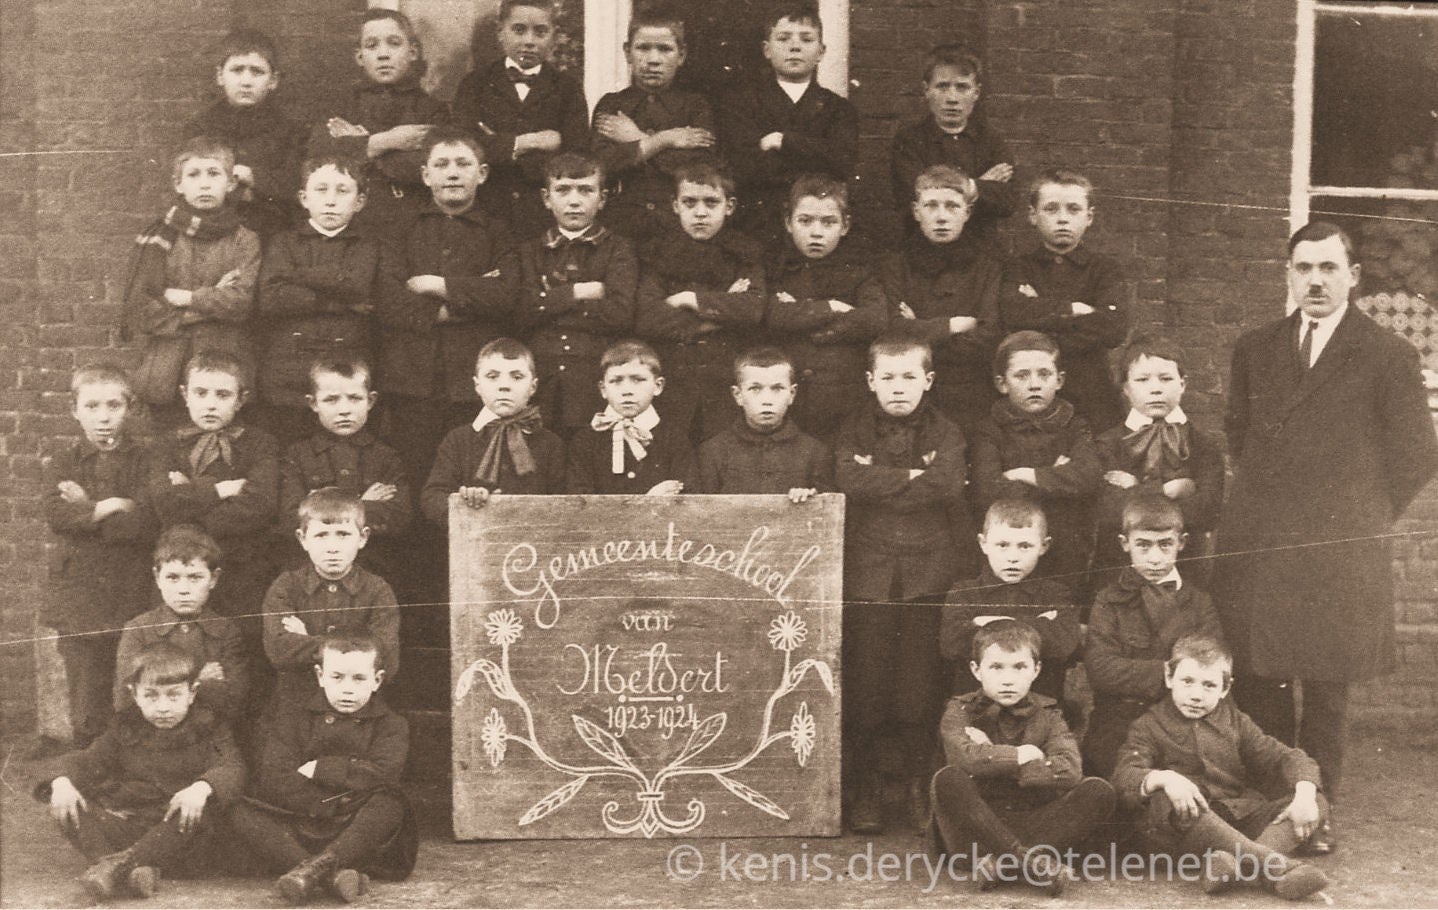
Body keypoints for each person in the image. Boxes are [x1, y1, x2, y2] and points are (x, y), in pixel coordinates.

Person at [1214, 221, 1438, 851]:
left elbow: (1416, 453)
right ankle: (1273, 805)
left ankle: (1318, 813)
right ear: (1289, 275)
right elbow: (1239, 432)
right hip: (1264, 539)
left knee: (1326, 687)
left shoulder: (1387, 353)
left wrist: (1362, 515)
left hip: (1338, 547)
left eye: (1329, 268)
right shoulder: (1256, 347)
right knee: (1263, 675)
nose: (1315, 280)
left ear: (1353, 277)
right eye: (1304, 268)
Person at [835, 332, 973, 834]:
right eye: (888, 377)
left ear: (928, 380)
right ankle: (867, 787)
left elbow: (948, 482)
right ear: (871, 381)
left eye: (909, 377)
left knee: (918, 685)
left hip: (927, 574)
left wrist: (882, 478)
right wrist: (914, 477)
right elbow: (848, 479)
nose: (899, 387)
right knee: (868, 685)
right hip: (869, 573)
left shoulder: (946, 430)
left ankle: (919, 785)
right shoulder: (853, 428)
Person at [1113, 636, 1331, 900]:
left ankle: (1233, 865)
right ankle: (1273, 866)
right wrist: (1164, 778)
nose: (1196, 695)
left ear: (1225, 689)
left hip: (1236, 821)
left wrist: (1305, 793)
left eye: (1209, 685)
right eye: (1187, 681)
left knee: (1315, 799)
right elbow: (1125, 773)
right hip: (1185, 832)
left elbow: (1287, 757)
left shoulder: (1235, 721)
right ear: (1169, 677)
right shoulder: (1149, 725)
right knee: (1165, 799)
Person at [37, 642, 244, 901]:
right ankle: (132, 870)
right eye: (151, 696)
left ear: (192, 693)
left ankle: (117, 869)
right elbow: (86, 760)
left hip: (178, 836)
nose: (163, 707)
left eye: (173, 696)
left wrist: (202, 787)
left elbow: (232, 766)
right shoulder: (126, 728)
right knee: (69, 806)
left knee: (199, 810)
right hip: (133, 828)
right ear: (134, 695)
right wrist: (61, 782)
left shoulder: (208, 727)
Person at [376, 127, 518, 492]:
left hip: (473, 382)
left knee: (474, 480)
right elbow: (389, 299)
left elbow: (506, 295)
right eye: (441, 164)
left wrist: (437, 285)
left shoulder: (499, 232)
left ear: (482, 173)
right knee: (417, 476)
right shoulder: (401, 229)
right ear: (425, 175)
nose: (452, 173)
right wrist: (465, 299)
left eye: (462, 164)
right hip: (411, 381)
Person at [229, 635, 415, 904]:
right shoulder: (294, 718)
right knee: (238, 810)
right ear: (320, 676)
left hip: (351, 828)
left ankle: (317, 867)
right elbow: (276, 775)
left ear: (377, 680)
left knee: (390, 803)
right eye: (337, 677)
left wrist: (323, 768)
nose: (347, 689)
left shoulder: (391, 725)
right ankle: (326, 875)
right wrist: (323, 802)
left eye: (359, 679)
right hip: (301, 818)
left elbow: (382, 773)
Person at [932, 621, 1114, 895]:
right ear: (976, 670)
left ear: (1036, 670)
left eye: (1019, 667)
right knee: (948, 779)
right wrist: (1022, 755)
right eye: (996, 667)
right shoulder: (960, 710)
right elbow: (965, 760)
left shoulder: (1049, 714)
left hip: (1036, 824)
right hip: (977, 828)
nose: (1008, 679)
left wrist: (994, 757)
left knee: (1098, 790)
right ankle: (1030, 862)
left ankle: (1005, 863)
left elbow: (1069, 770)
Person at [44, 364, 159, 748]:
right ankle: (88, 763)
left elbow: (145, 521)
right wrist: (112, 504)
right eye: (92, 406)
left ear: (130, 408)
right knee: (86, 689)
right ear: (74, 410)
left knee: (132, 680)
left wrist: (87, 508)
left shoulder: (146, 459)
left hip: (130, 588)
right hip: (80, 594)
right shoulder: (64, 462)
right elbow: (58, 516)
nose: (104, 416)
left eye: (114, 405)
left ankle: (131, 762)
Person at [149, 351, 279, 675]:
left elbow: (259, 505)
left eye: (223, 395)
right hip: (184, 567)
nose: (210, 404)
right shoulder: (167, 445)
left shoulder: (260, 445)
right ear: (184, 395)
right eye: (201, 393)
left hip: (242, 568)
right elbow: (164, 504)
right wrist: (221, 490)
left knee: (240, 653)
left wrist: (189, 499)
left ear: (240, 399)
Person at [1083, 494, 1223, 779]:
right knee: (1117, 786)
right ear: (1125, 543)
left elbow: (1211, 667)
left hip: (1180, 723)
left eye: (1165, 544)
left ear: (1182, 542)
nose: (1155, 558)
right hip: (1119, 723)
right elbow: (1101, 670)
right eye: (1143, 545)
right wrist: (1175, 674)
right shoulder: (1108, 601)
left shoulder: (1199, 603)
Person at [122, 138, 259, 425]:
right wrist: (214, 298)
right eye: (194, 175)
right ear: (178, 184)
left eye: (214, 174)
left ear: (230, 183)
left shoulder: (244, 240)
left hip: (226, 366)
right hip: (167, 372)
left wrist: (185, 298)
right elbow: (143, 310)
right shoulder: (158, 238)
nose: (204, 184)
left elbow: (241, 302)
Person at [634, 162, 766, 442]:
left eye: (711, 202)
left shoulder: (744, 254)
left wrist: (688, 299)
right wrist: (722, 310)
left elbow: (752, 310)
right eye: (690, 203)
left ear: (729, 206)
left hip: (725, 375)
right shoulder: (657, 255)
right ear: (675, 206)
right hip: (674, 374)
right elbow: (647, 319)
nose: (701, 212)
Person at [256, 157, 382, 445]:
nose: (331, 201)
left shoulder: (368, 245)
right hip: (289, 371)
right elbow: (272, 298)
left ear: (360, 201)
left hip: (346, 372)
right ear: (304, 198)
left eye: (342, 191)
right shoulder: (283, 242)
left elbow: (357, 285)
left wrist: (296, 275)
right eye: (321, 190)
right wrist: (337, 303)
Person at [514, 152, 638, 436]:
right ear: (546, 198)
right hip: (541, 377)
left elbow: (620, 315)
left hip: (592, 376)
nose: (574, 201)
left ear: (602, 199)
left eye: (585, 190)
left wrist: (549, 302)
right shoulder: (530, 251)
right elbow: (521, 313)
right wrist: (578, 292)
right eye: (563, 190)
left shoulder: (618, 249)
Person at [969, 331, 1102, 583]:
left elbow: (1089, 477)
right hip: (1010, 548)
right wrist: (1057, 477)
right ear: (1002, 383)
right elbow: (987, 489)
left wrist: (1026, 474)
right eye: (1021, 375)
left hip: (1065, 545)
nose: (1034, 385)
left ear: (1059, 380)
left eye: (1044, 374)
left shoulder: (1074, 426)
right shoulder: (989, 430)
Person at [718, 2, 858, 241]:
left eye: (806, 39)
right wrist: (812, 158)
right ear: (767, 50)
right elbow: (743, 168)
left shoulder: (839, 109)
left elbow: (841, 162)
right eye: (783, 38)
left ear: (821, 51)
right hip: (759, 224)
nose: (795, 46)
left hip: (817, 227)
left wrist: (783, 141)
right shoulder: (742, 104)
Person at [999, 169, 1127, 429]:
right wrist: (1074, 309)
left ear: (1089, 217)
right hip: (1031, 394)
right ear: (1033, 215)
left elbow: (1113, 329)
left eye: (1073, 209)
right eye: (1051, 209)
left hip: (1092, 394)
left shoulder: (1105, 269)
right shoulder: (1017, 267)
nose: (1062, 219)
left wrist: (1040, 314)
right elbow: (1012, 315)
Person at [765, 174, 888, 444]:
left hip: (843, 401)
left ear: (845, 226)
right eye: (805, 221)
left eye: (828, 222)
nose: (816, 232)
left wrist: (802, 316)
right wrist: (831, 308)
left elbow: (875, 319)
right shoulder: (775, 272)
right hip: (787, 402)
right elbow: (768, 315)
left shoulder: (859, 274)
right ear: (788, 223)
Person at [451, 0, 590, 239]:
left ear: (554, 37)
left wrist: (495, 144)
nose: (529, 41)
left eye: (540, 32)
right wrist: (529, 143)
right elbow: (464, 146)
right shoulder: (475, 84)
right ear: (500, 33)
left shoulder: (568, 88)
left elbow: (575, 156)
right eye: (519, 30)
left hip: (542, 216)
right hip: (486, 209)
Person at [881, 164, 1002, 435]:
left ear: (967, 212)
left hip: (969, 395)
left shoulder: (987, 268)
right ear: (916, 211)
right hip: (910, 395)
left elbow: (988, 335)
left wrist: (918, 327)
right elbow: (892, 331)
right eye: (931, 206)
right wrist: (953, 326)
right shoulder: (896, 266)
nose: (942, 217)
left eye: (952, 206)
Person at [1092, 337, 1223, 589]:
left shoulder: (1203, 446)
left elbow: (1206, 512)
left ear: (1182, 384)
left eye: (1166, 378)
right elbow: (1108, 512)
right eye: (1142, 380)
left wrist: (1133, 490)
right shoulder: (1107, 444)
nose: (1156, 389)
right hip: (1117, 572)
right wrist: (1166, 491)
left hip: (1185, 570)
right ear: (1126, 388)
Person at [307, 9, 443, 234]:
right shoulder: (341, 105)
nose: (383, 54)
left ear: (413, 52)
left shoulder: (430, 109)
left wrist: (359, 145)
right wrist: (385, 141)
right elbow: (319, 156)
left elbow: (427, 169)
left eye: (394, 43)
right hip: (352, 224)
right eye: (372, 46)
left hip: (411, 222)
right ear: (360, 57)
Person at [278, 357, 411, 585]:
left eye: (355, 398)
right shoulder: (297, 455)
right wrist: (362, 503)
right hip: (310, 572)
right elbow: (290, 517)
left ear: (371, 401)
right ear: (313, 403)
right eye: (331, 400)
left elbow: (399, 517)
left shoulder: (386, 456)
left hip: (374, 569)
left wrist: (319, 504)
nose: (344, 410)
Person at [263, 488, 400, 706]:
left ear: (363, 537)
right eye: (321, 535)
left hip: (360, 707)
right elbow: (280, 651)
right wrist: (358, 649)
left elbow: (387, 658)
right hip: (298, 704)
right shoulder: (286, 587)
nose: (332, 547)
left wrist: (307, 640)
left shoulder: (377, 590)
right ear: (303, 539)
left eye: (343, 534)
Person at [590, 8, 716, 245]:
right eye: (643, 48)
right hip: (620, 227)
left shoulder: (695, 106)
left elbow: (698, 171)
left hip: (677, 228)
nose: (653, 59)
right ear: (627, 52)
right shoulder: (612, 105)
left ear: (681, 55)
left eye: (665, 49)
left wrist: (635, 139)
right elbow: (602, 165)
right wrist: (665, 139)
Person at [940, 500, 1080, 704]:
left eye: (1025, 546)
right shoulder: (964, 593)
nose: (1013, 557)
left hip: (1039, 708)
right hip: (976, 707)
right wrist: (1039, 624)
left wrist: (987, 623)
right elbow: (952, 645)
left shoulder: (1055, 594)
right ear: (983, 543)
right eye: (1003, 545)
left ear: (1044, 546)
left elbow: (1064, 645)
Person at [422, 338, 565, 521]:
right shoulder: (458, 440)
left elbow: (564, 502)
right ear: (477, 386)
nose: (504, 386)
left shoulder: (550, 444)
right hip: (475, 535)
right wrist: (466, 503)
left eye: (517, 377)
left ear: (533, 387)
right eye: (492, 376)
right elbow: (432, 497)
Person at [113, 526, 248, 722]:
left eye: (195, 578)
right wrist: (202, 682)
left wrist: (159, 687)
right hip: (149, 733)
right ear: (157, 578)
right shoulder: (138, 630)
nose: (184, 589)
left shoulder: (226, 631)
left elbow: (235, 702)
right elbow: (125, 701)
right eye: (172, 578)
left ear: (213, 579)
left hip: (210, 731)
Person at [890, 44, 1015, 251]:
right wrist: (976, 187)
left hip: (981, 251)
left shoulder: (991, 141)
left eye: (962, 87)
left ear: (976, 93)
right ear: (926, 90)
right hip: (924, 250)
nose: (952, 98)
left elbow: (1007, 201)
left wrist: (943, 187)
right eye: (942, 86)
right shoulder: (909, 141)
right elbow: (912, 193)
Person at [182, 29, 303, 238]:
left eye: (257, 72)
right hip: (216, 229)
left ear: (273, 80)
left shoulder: (290, 129)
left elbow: (294, 185)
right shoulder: (201, 127)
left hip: (272, 230)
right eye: (237, 70)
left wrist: (254, 178)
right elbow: (192, 181)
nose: (246, 81)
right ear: (220, 76)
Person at [693, 347, 834, 498]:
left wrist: (810, 499)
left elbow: (829, 506)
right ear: (738, 395)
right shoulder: (712, 452)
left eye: (777, 388)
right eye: (755, 389)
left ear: (792, 394)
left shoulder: (815, 453)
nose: (767, 400)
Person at [566, 339, 695, 494]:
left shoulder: (674, 440)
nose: (627, 390)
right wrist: (646, 502)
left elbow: (689, 497)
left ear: (658, 386)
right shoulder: (585, 441)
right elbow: (578, 500)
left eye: (638, 380)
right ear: (603, 389)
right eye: (616, 381)